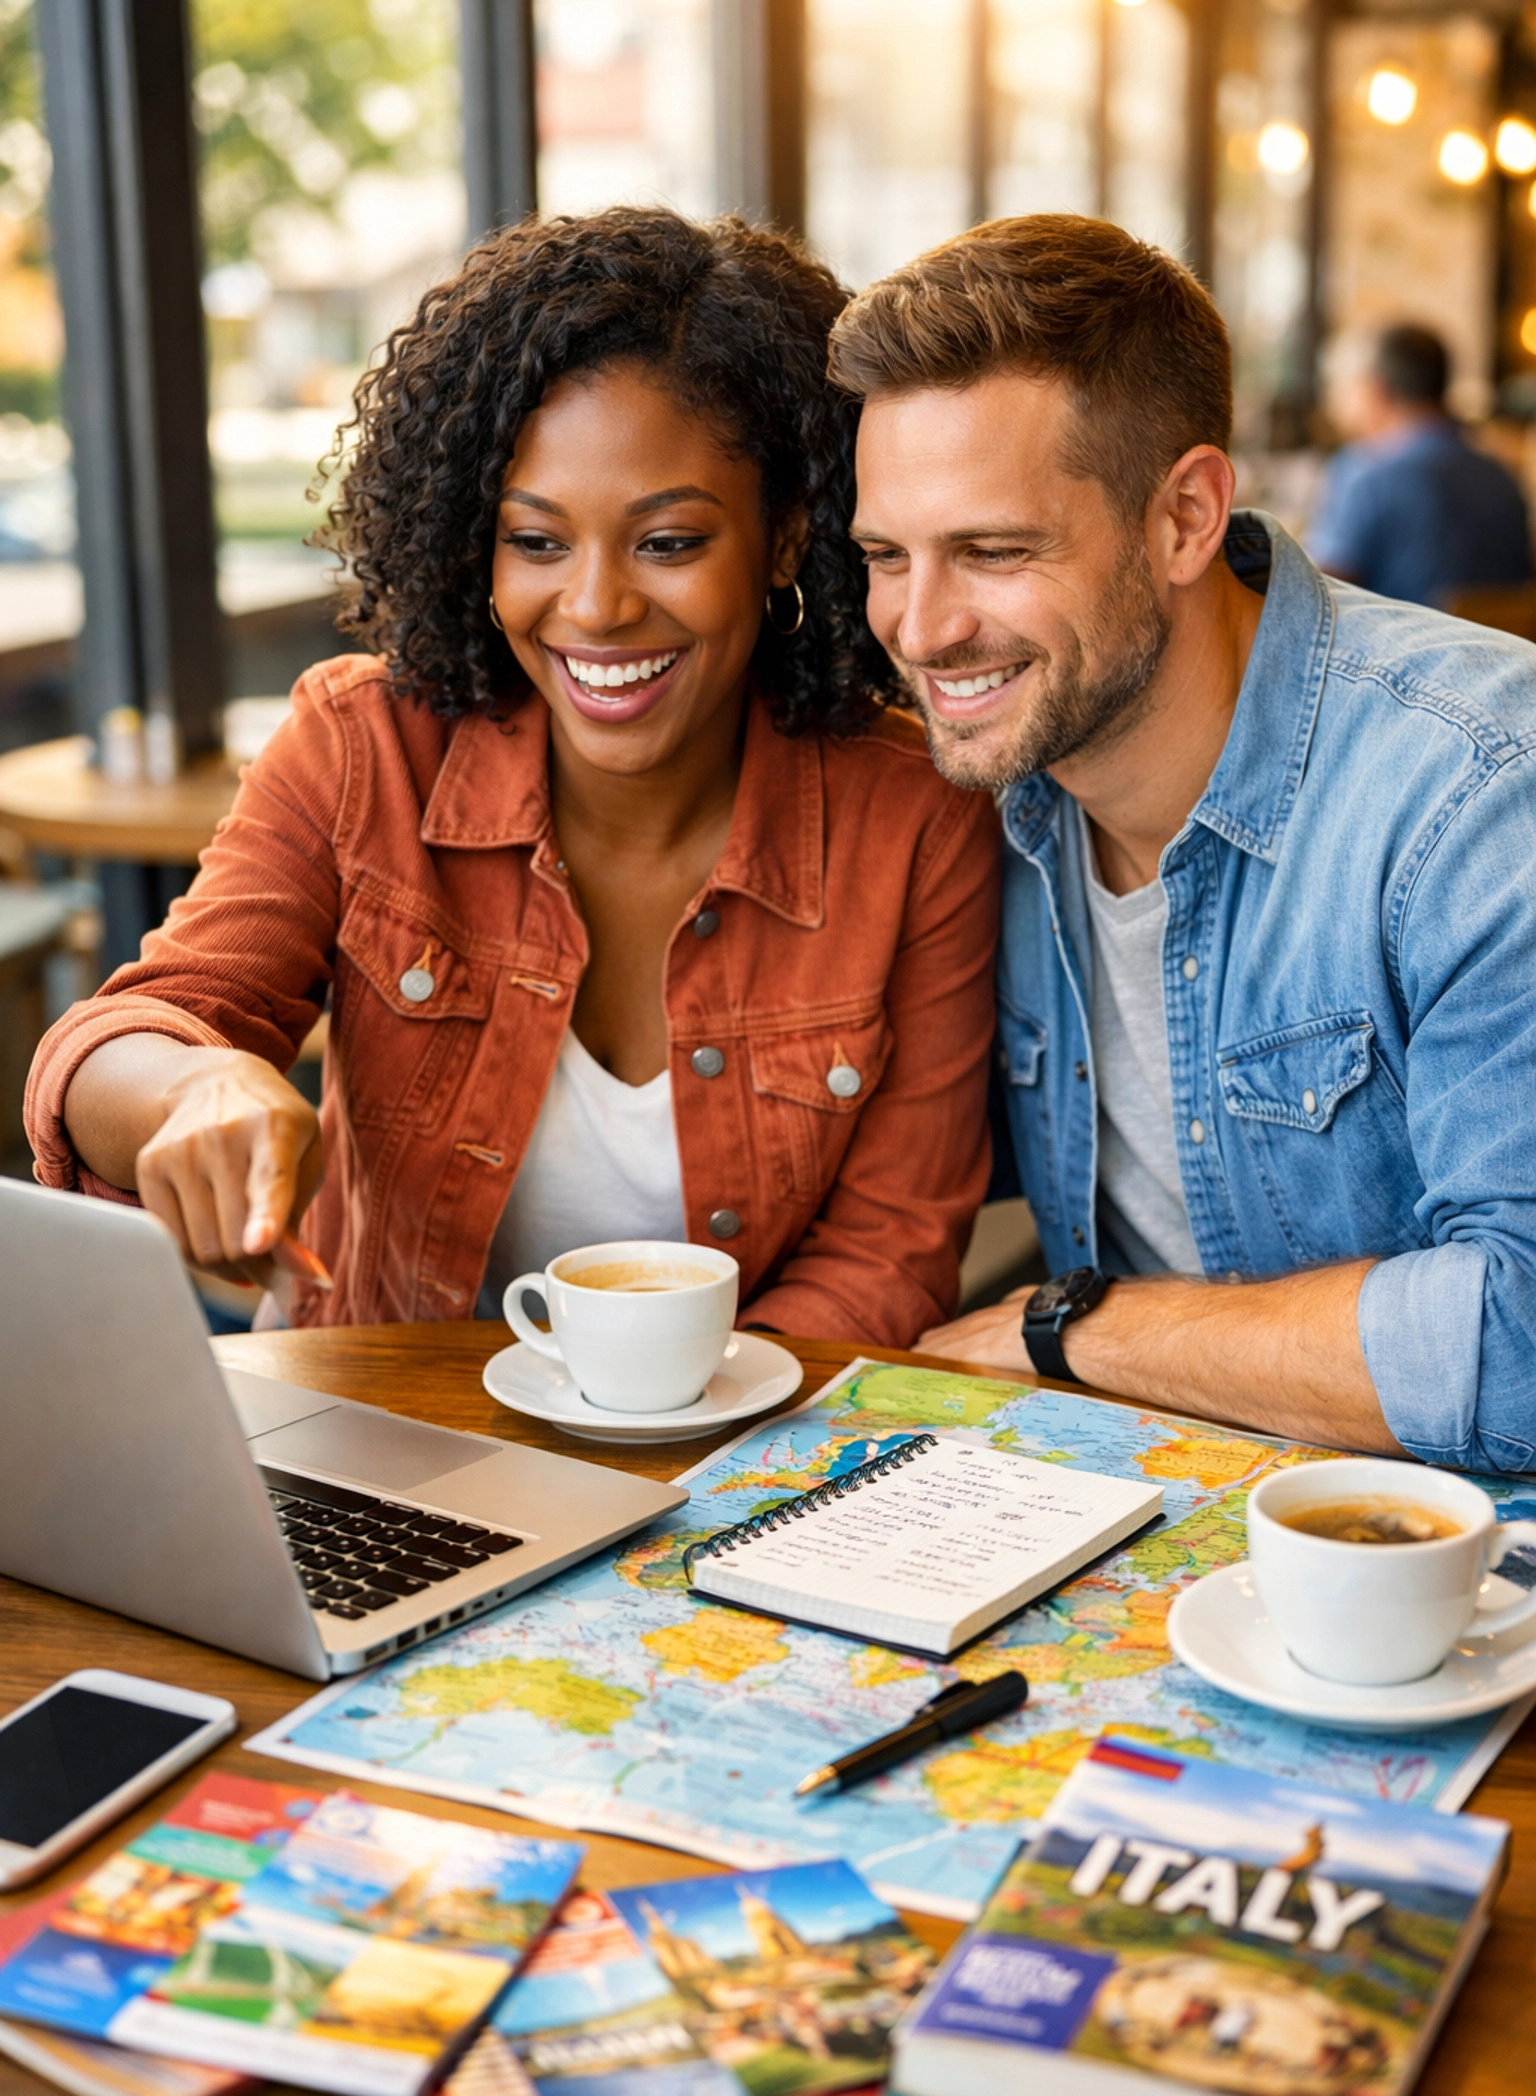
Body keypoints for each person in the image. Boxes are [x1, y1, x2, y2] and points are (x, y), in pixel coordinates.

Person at [25, 209, 999, 1346]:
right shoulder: (364, 746)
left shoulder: (918, 816)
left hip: (729, 1465)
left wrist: (666, 1447)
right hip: (373, 1438)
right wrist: (190, 1090)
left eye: (669, 542)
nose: (593, 608)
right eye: (535, 542)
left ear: (785, 536)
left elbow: (889, 1255)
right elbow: (125, 1035)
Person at [830, 214, 1536, 1468]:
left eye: (993, 552)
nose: (923, 630)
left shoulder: (1478, 789)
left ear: (1186, 516)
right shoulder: (980, 809)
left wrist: (1078, 1333)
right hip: (1154, 1522)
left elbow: (1525, 1340)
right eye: (887, 555)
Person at [1309, 321, 1531, 606]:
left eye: (1341, 385)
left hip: (1397, 646)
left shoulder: (1365, 474)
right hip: (1503, 647)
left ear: (1375, 391)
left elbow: (1319, 594)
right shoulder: (1501, 475)